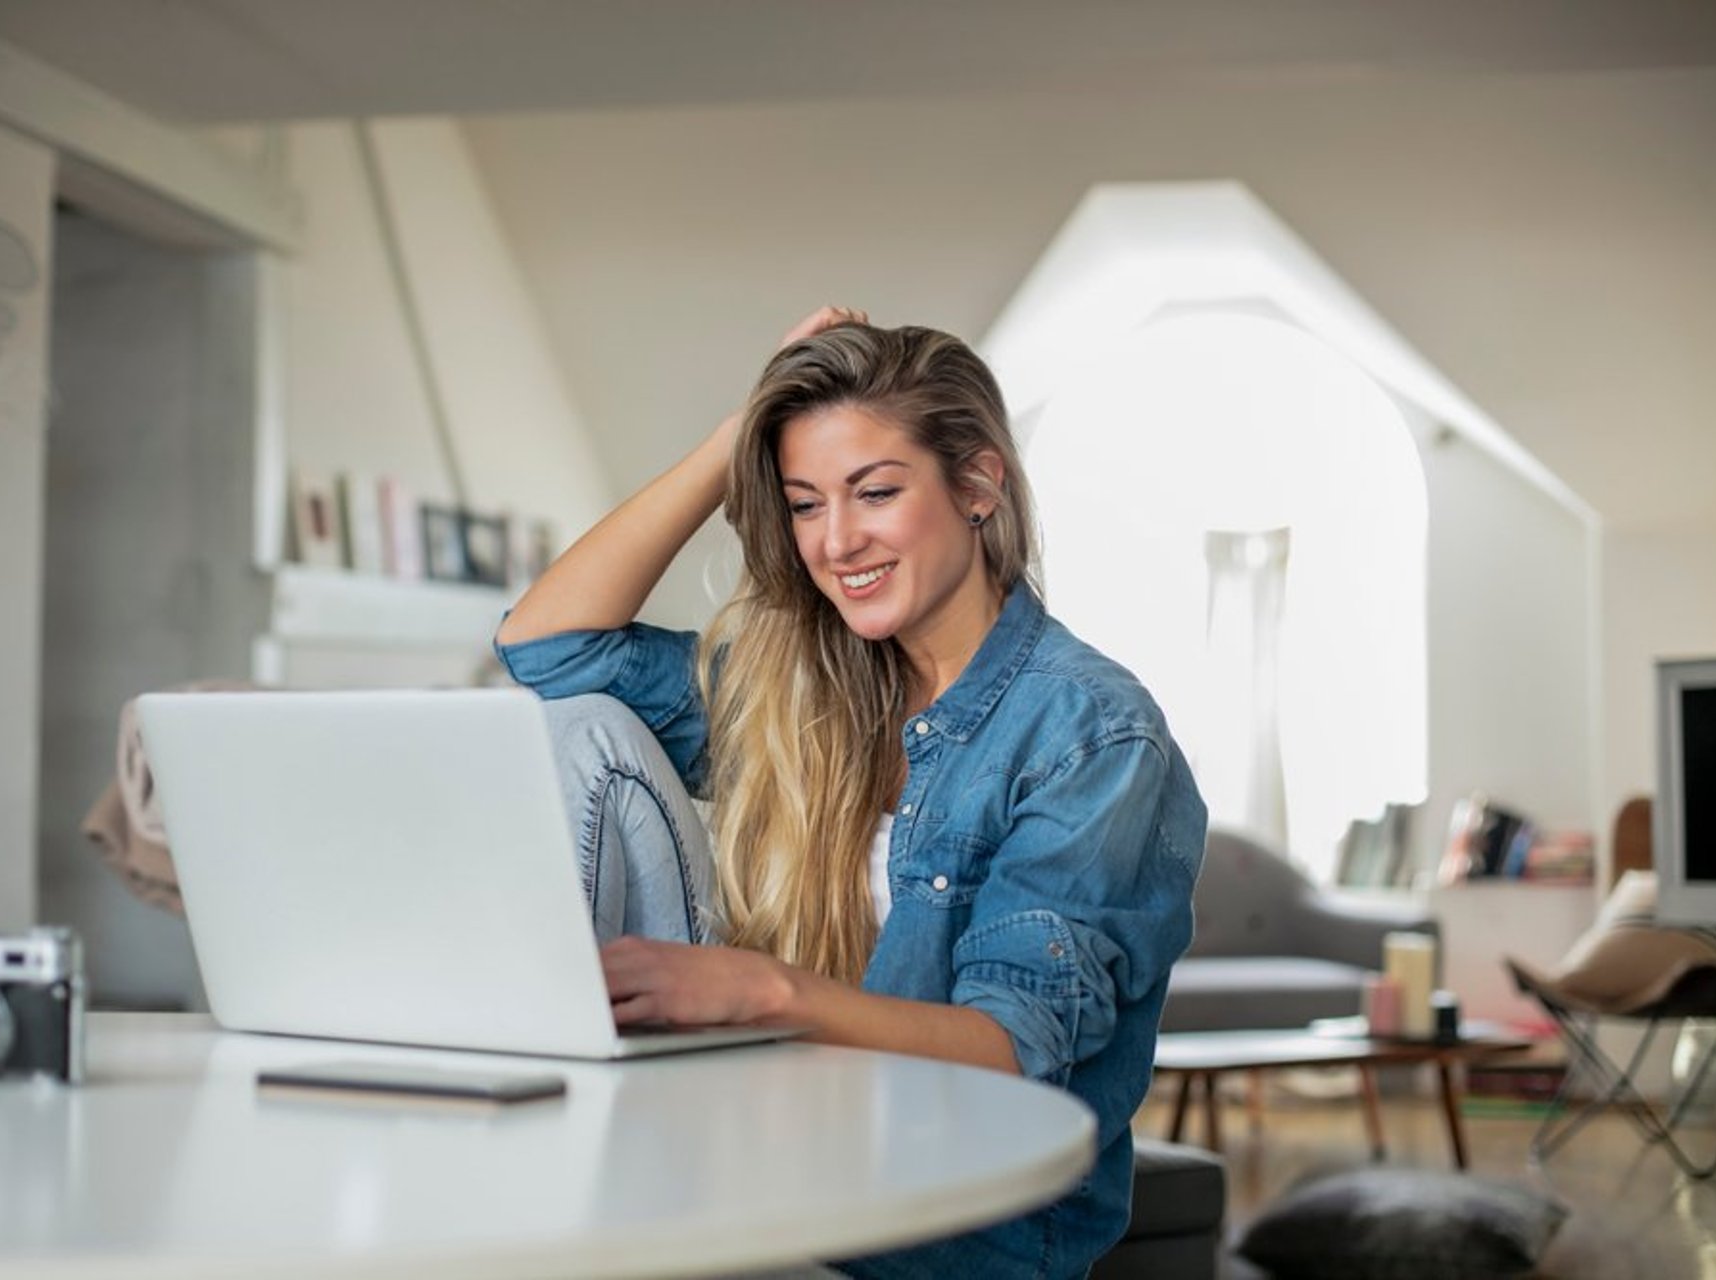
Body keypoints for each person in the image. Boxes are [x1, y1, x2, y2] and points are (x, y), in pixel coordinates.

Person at [495, 307, 1207, 1279]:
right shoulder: (805, 685)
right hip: (765, 1171)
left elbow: (1015, 1046)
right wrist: (738, 431)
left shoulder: (1089, 730)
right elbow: (549, 650)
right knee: (579, 728)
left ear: (978, 485)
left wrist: (763, 991)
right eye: (803, 502)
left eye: (873, 491)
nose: (836, 541)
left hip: (938, 1241)